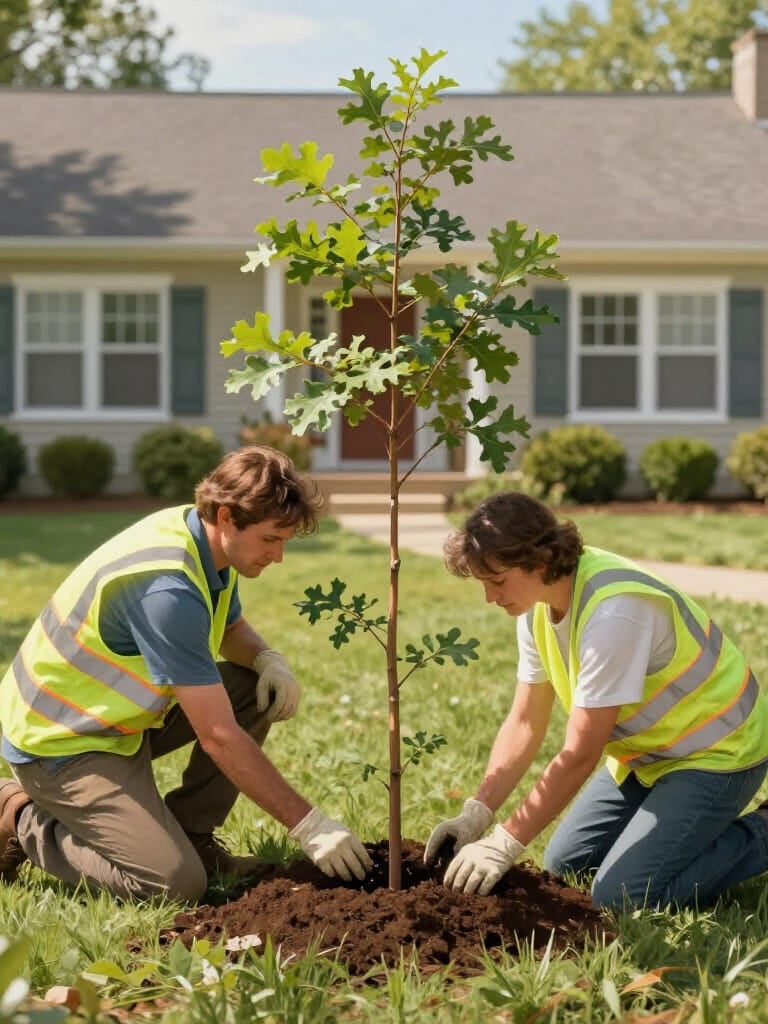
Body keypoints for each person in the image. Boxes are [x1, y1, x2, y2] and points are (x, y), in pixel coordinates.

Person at [0, 445, 371, 901]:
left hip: (118, 722)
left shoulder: (205, 541)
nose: (278, 557)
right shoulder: (166, 588)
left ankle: (194, 836)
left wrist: (265, 659)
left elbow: (230, 626)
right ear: (226, 516)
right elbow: (217, 735)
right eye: (272, 539)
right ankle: (17, 815)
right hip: (61, 741)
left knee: (254, 688)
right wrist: (308, 824)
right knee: (172, 883)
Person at [424, 491, 768, 910]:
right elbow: (525, 722)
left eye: (497, 581)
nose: (490, 598)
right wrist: (478, 812)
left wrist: (504, 842)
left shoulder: (615, 613)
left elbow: (580, 755)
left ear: (540, 562)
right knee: (566, 863)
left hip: (718, 752)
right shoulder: (536, 606)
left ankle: (761, 833)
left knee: (621, 896)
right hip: (646, 756)